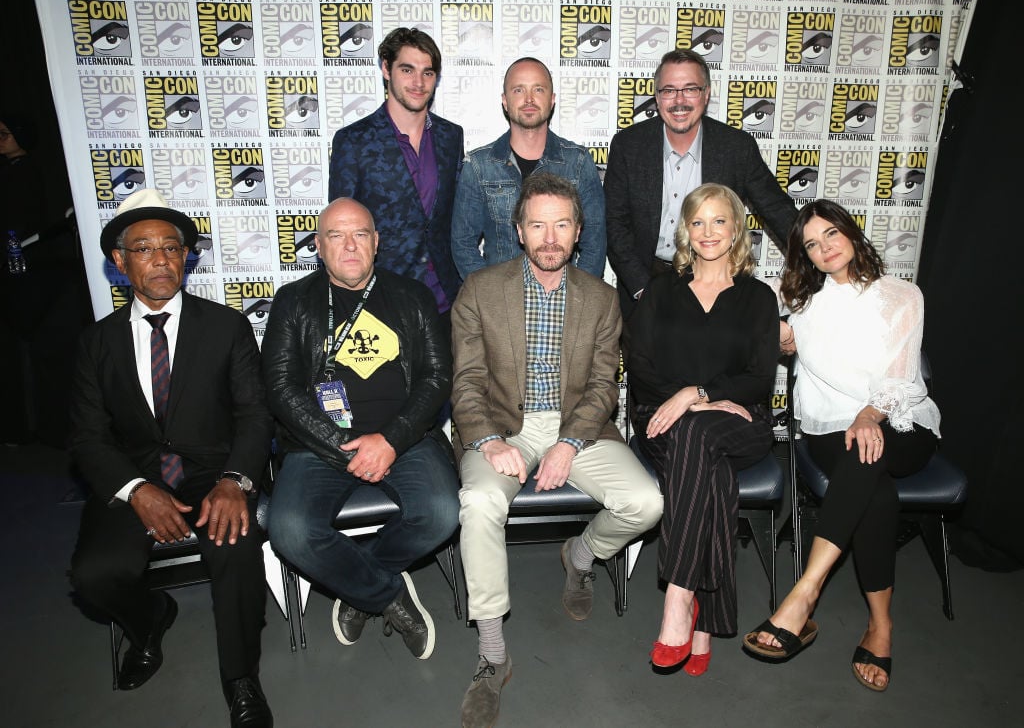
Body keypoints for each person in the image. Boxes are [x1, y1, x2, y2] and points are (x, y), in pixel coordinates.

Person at [452, 172, 662, 727]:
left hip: (577, 426)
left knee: (646, 502)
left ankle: (581, 555)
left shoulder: (601, 297)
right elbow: (467, 382)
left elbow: (600, 387)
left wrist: (569, 442)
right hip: (503, 427)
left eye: (562, 224)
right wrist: (492, 441)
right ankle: (493, 655)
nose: (550, 237)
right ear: (519, 231)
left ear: (578, 232)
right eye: (538, 224)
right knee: (478, 503)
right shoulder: (480, 289)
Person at [68, 189, 274, 727]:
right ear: (120, 261)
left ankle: (241, 677)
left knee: (234, 545)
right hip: (133, 479)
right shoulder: (96, 343)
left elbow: (256, 416)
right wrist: (136, 490)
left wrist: (235, 481)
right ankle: (149, 620)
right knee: (94, 574)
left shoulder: (226, 326)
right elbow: (88, 437)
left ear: (187, 256)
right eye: (144, 248)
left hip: (212, 476)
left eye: (171, 247)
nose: (161, 259)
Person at [742, 199, 942, 693]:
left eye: (830, 234)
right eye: (811, 244)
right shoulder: (803, 307)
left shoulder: (901, 295)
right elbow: (761, 323)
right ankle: (881, 626)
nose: (824, 247)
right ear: (805, 256)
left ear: (851, 234)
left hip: (901, 421)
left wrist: (872, 414)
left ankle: (804, 595)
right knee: (871, 487)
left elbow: (902, 375)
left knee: (866, 453)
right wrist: (784, 341)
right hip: (831, 431)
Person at [263, 197, 459, 662]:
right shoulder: (293, 301)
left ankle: (356, 582)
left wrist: (390, 439)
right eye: (335, 235)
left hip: (405, 439)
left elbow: (436, 377)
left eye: (360, 234)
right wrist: (343, 446)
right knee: (288, 528)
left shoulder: (412, 295)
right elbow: (280, 388)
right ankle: (385, 595)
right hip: (319, 444)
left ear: (377, 241)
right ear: (318, 246)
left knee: (440, 512)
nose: (349, 246)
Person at [624, 183, 778, 678]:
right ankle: (705, 618)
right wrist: (683, 398)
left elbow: (759, 377)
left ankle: (678, 596)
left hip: (739, 420)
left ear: (736, 229)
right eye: (697, 222)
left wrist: (697, 393)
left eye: (719, 221)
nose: (708, 232)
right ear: (685, 231)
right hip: (662, 417)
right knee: (702, 455)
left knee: (700, 437)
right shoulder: (662, 288)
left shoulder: (758, 297)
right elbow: (639, 362)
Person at [604, 49, 798, 317]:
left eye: (690, 89)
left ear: (706, 94)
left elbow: (778, 210)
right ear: (657, 98)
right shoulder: (628, 146)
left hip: (713, 282)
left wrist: (819, 252)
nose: (679, 100)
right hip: (644, 282)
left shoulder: (736, 148)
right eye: (669, 90)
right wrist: (643, 290)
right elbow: (614, 223)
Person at [328, 27, 464, 321]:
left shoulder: (450, 136)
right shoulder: (354, 141)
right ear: (386, 69)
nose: (418, 82)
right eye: (407, 69)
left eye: (428, 72)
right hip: (380, 302)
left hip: (444, 300)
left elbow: (451, 218)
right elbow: (341, 228)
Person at [450, 57, 606, 280]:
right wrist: (488, 297)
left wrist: (576, 301)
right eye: (518, 90)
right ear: (505, 101)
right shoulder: (478, 166)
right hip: (500, 303)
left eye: (538, 89)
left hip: (564, 301)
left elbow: (595, 244)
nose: (529, 99)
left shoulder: (578, 162)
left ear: (552, 100)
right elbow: (462, 244)